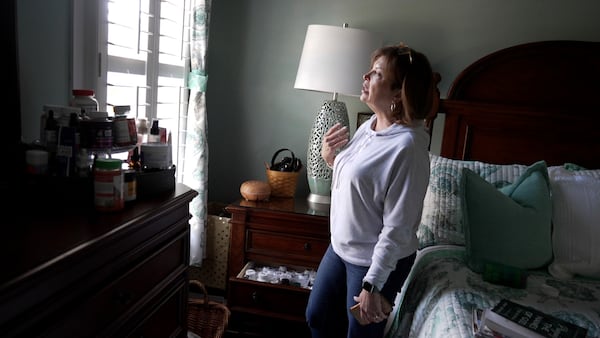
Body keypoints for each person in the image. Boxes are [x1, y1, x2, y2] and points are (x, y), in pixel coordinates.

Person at [305, 44, 437, 338]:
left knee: (360, 335)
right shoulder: (370, 126)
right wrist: (331, 158)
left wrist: (372, 284)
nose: (365, 76)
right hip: (341, 248)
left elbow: (398, 227)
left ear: (397, 93)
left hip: (375, 261)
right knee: (318, 316)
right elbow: (360, 181)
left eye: (376, 73)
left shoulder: (408, 148)